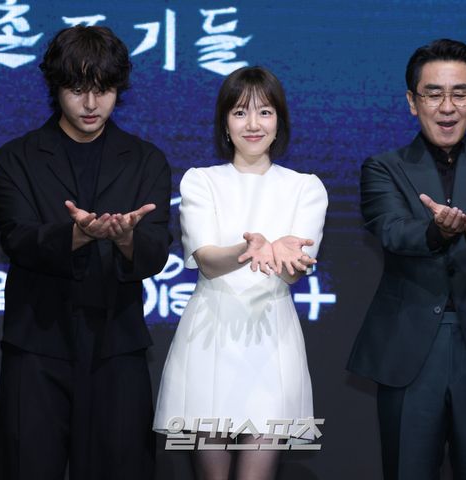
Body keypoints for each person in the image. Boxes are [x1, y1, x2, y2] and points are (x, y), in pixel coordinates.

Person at [347, 38, 466, 479]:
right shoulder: (383, 167)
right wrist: (439, 230)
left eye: (460, 93)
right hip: (409, 347)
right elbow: (390, 230)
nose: (447, 107)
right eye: (433, 93)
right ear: (412, 102)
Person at [0, 25, 172, 479]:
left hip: (117, 346)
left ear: (118, 89)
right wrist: (78, 235)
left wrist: (124, 237)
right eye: (77, 89)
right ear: (55, 87)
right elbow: (18, 239)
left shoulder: (146, 160)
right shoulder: (16, 159)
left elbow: (155, 251)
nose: (91, 104)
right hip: (37, 344)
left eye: (103, 89)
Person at [153, 66, 328, 479]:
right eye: (240, 112)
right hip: (209, 336)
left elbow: (293, 272)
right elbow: (207, 260)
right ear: (224, 124)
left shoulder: (305, 188)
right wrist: (247, 250)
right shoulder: (201, 182)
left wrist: (282, 258)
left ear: (279, 121)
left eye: (264, 112)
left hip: (272, 338)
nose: (253, 124)